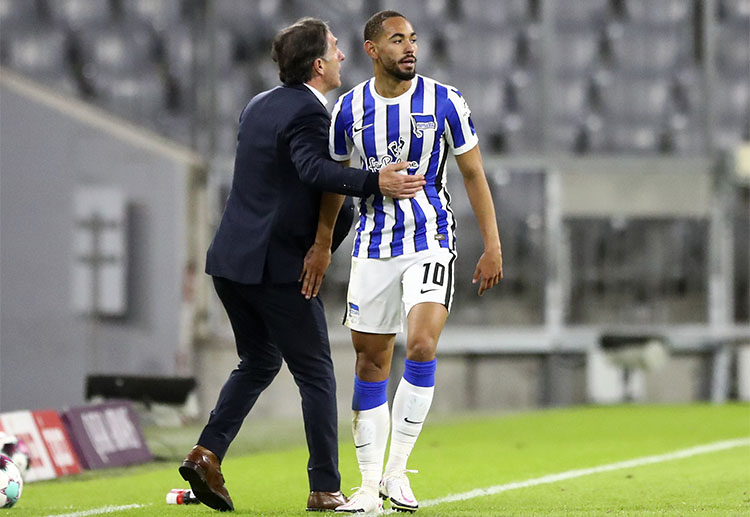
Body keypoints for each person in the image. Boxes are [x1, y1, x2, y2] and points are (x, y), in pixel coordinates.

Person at [178, 17, 426, 513]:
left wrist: (327, 234)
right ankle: (325, 488)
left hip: (230, 260)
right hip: (275, 267)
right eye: (334, 48)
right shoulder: (312, 114)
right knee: (316, 373)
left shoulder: (257, 105)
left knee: (259, 361)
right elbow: (315, 171)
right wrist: (376, 181)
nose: (341, 56)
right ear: (317, 65)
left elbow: (283, 183)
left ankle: (206, 454)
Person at [328, 11, 503, 514]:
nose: (409, 48)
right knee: (370, 362)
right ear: (372, 49)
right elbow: (333, 184)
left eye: (413, 39)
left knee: (422, 345)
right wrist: (322, 244)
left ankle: (397, 471)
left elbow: (473, 174)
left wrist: (492, 244)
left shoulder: (445, 101)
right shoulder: (349, 109)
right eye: (397, 40)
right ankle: (368, 488)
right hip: (373, 246)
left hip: (431, 239)